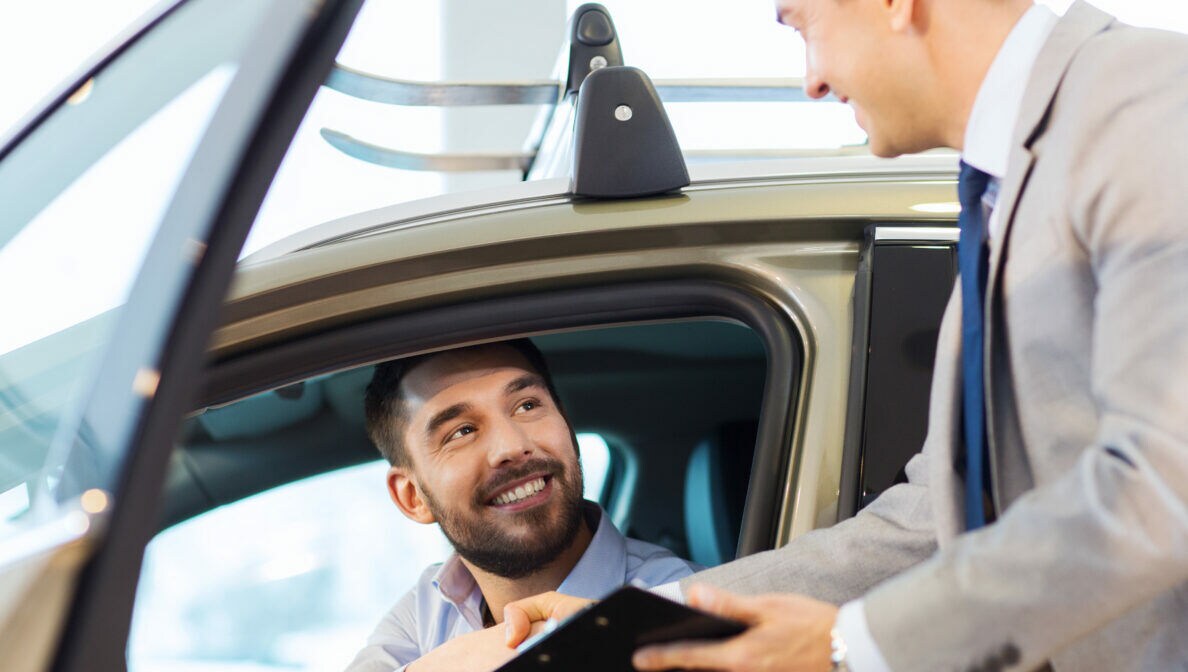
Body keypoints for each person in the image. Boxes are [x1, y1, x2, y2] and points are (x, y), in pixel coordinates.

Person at [505, 1, 1188, 670]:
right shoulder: (1002, 186)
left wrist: (848, 645)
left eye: (804, 25)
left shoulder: (1145, 103)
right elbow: (935, 518)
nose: (814, 81)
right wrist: (648, 615)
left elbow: (1166, 478)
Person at [344, 339, 698, 671]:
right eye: (461, 431)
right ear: (412, 497)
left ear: (567, 426)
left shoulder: (682, 598)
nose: (512, 446)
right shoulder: (429, 608)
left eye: (527, 406)